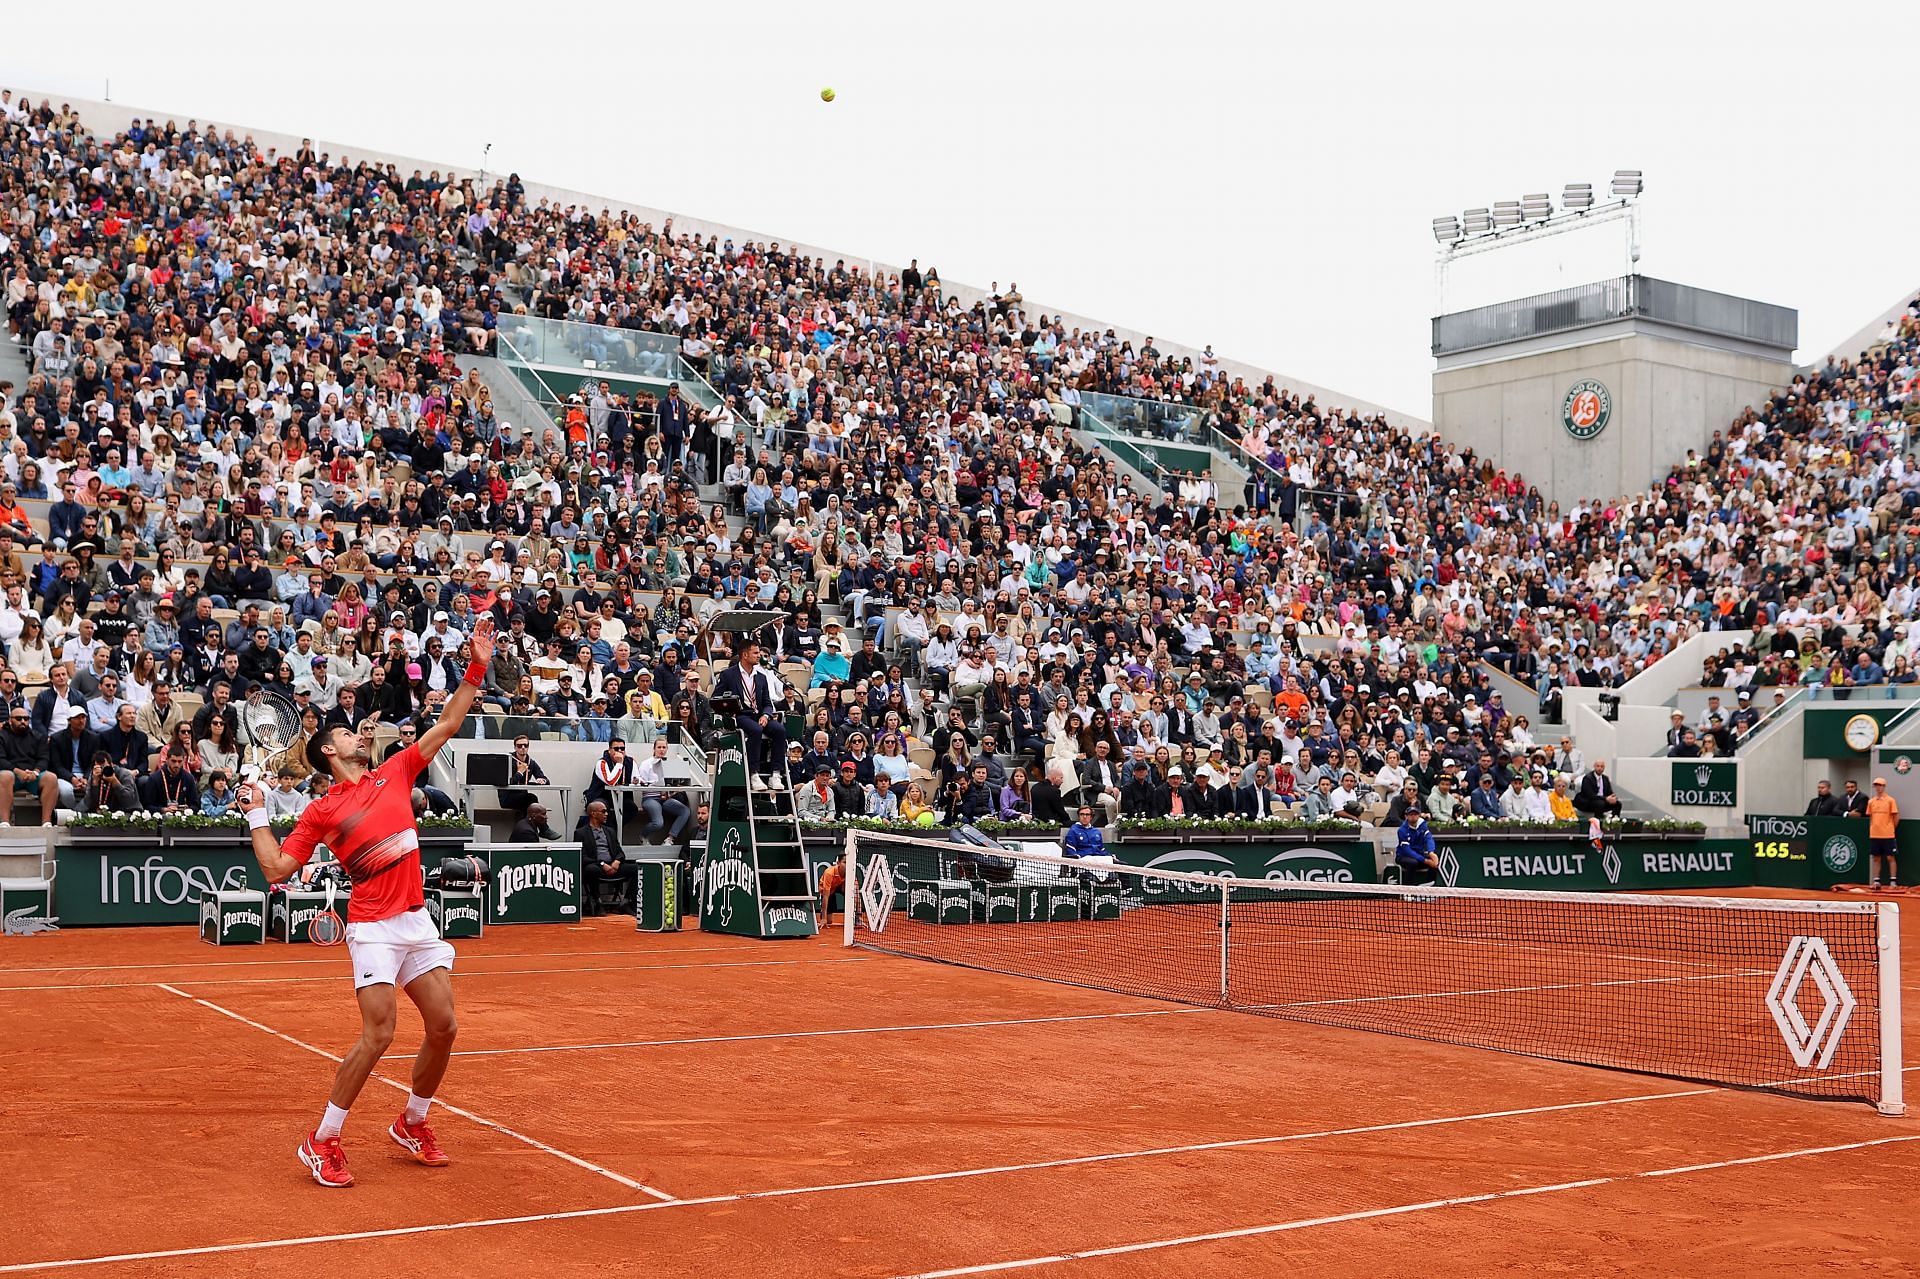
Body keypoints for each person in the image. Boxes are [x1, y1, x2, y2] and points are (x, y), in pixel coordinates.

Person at [235, 615, 497, 1188]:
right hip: (373, 927)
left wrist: (477, 664)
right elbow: (278, 868)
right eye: (347, 733)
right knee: (379, 1034)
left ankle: (412, 1121)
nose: (359, 734)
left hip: (415, 920)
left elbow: (450, 720)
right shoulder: (322, 811)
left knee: (445, 1026)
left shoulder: (396, 771)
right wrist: (256, 813)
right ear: (329, 751)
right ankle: (323, 1138)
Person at [713, 638, 788, 790]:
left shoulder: (761, 677)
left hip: (759, 715)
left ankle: (776, 774)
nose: (758, 656)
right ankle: (754, 773)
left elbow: (767, 703)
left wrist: (766, 715)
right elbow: (716, 698)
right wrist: (730, 708)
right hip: (740, 715)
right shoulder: (729, 675)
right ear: (745, 655)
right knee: (755, 730)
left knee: (780, 730)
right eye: (755, 653)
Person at [578, 798, 635, 913]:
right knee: (590, 869)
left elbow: (620, 852)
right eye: (603, 811)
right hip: (597, 866)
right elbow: (582, 856)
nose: (606, 814)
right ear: (593, 814)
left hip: (613, 866)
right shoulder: (581, 832)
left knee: (637, 869)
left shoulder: (610, 831)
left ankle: (627, 901)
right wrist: (602, 864)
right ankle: (596, 900)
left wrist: (617, 862)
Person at [632, 738, 690, 844]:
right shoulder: (646, 763)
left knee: (685, 811)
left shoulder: (670, 764)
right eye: (659, 747)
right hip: (650, 797)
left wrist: (672, 790)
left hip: (666, 798)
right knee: (658, 823)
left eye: (664, 747)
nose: (661, 750)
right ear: (654, 749)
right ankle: (643, 835)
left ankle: (670, 838)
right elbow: (641, 781)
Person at [1867, 776, 1901, 890]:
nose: (1878, 787)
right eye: (1876, 785)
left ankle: (1893, 882)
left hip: (1888, 834)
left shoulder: (1891, 800)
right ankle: (1876, 881)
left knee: (1890, 858)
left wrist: (1890, 828)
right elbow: (1871, 817)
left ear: (1884, 786)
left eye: (1880, 785)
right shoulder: (1871, 802)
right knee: (1876, 858)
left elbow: (1896, 817)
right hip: (1874, 834)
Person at [1395, 806, 1439, 886]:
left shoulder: (1423, 825)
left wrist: (1431, 852)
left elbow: (1429, 838)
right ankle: (1408, 890)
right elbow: (1407, 850)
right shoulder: (1402, 830)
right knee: (1412, 862)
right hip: (1403, 856)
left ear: (1418, 815)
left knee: (1434, 860)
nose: (1413, 816)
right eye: (1411, 815)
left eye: (1415, 814)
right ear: (1406, 816)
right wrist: (1424, 860)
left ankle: (1430, 886)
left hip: (1419, 854)